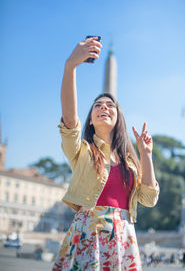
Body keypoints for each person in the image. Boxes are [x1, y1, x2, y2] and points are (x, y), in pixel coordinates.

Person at [52, 37, 159, 271]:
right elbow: (69, 119)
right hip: (89, 232)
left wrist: (146, 155)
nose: (104, 107)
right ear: (90, 119)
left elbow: (149, 198)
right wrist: (70, 66)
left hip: (124, 235)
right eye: (98, 105)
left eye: (110, 105)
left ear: (118, 117)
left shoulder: (130, 161)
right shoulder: (82, 151)